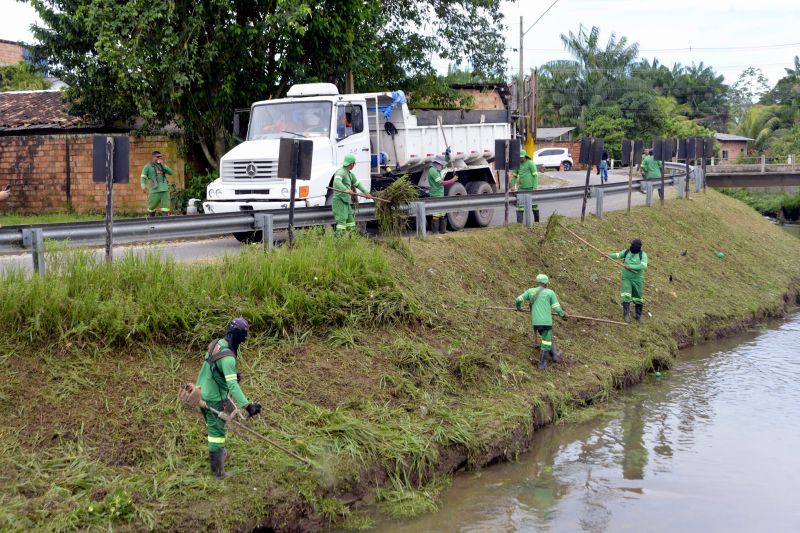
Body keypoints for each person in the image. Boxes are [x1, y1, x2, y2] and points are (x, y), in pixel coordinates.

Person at [195, 317, 262, 479]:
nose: (244, 340)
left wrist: (229, 375)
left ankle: (219, 452)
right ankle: (218, 473)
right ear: (238, 336)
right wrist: (248, 406)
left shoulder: (216, 343)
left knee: (218, 421)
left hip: (201, 390)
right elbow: (233, 386)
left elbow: (213, 365)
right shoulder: (229, 359)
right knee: (216, 434)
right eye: (244, 336)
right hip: (214, 398)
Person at [515, 273, 567, 370]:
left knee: (547, 338)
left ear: (537, 282)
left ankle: (555, 355)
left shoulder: (530, 291)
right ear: (546, 284)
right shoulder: (550, 293)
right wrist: (563, 315)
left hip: (536, 323)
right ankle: (542, 364)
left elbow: (518, 299)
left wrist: (518, 308)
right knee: (546, 342)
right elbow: (556, 307)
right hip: (546, 322)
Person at [608, 239, 649, 323]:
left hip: (637, 280)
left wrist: (631, 266)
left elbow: (643, 266)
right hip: (626, 278)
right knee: (626, 294)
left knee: (638, 297)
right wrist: (608, 255)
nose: (630, 246)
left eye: (632, 245)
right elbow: (618, 255)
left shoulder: (643, 255)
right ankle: (626, 315)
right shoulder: (627, 252)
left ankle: (638, 315)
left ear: (637, 247)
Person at [332, 154, 372, 234]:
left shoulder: (350, 174)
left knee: (351, 222)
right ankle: (339, 242)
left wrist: (366, 193)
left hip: (346, 202)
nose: (354, 165)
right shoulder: (341, 172)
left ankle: (352, 240)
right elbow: (337, 182)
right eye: (354, 164)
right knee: (341, 223)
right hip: (339, 201)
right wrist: (345, 189)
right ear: (351, 164)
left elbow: (358, 184)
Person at [427, 155, 459, 234]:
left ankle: (443, 230)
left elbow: (445, 163)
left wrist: (447, 155)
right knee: (436, 214)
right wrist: (453, 180)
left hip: (440, 194)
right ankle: (435, 232)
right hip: (435, 195)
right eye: (441, 164)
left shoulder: (437, 169)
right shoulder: (432, 171)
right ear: (437, 164)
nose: (442, 166)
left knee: (443, 213)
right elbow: (441, 183)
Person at [140, 151, 174, 216]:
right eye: (157, 157)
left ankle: (165, 223)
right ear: (153, 157)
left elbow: (171, 172)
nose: (159, 158)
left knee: (165, 208)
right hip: (154, 190)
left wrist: (163, 165)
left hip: (164, 190)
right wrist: (143, 186)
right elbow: (143, 178)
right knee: (151, 207)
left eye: (160, 157)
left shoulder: (162, 165)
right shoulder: (147, 166)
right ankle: (152, 222)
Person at [511, 149, 540, 223]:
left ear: (525, 156)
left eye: (522, 157)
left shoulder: (530, 163)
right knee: (520, 207)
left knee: (534, 205)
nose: (520, 159)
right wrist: (512, 185)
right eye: (519, 157)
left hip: (530, 188)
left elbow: (535, 175)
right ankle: (519, 224)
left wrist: (535, 186)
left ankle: (537, 222)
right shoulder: (517, 164)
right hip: (521, 188)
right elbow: (514, 176)